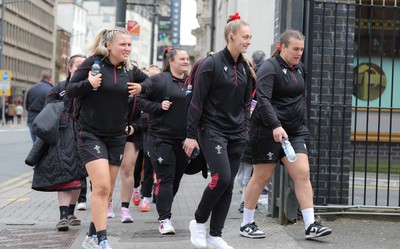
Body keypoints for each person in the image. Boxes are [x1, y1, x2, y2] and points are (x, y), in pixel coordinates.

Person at [238, 30, 332, 240]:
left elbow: (300, 100)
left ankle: (310, 225)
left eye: (301, 49)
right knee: (261, 176)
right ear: (283, 47)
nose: (299, 53)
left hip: (294, 132)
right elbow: (263, 100)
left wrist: (303, 127)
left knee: (302, 173)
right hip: (267, 130)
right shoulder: (268, 68)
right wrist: (275, 125)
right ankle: (247, 223)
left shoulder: (300, 69)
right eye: (295, 49)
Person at [67, 27, 144, 249]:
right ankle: (102, 239)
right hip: (91, 134)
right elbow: (71, 90)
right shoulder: (93, 63)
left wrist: (142, 86)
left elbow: (153, 84)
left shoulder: (129, 69)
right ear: (109, 45)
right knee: (101, 187)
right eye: (123, 44)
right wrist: (88, 84)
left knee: (107, 190)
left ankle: (91, 237)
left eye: (129, 44)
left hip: (117, 137)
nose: (127, 48)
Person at [183, 12, 254, 249]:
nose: (248, 41)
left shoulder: (246, 68)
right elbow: (196, 101)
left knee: (229, 183)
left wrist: (245, 127)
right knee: (220, 177)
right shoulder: (210, 64)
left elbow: (247, 102)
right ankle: (199, 221)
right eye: (245, 37)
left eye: (250, 37)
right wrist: (191, 135)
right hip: (211, 130)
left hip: (236, 134)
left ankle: (215, 235)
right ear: (231, 36)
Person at [137, 47, 190, 235]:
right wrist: (158, 106)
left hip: (185, 141)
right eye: (182, 58)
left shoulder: (191, 82)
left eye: (187, 58)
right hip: (161, 138)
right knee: (165, 179)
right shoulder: (159, 80)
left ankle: (164, 210)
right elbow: (139, 99)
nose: (186, 61)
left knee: (174, 181)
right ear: (171, 61)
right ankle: (165, 219)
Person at [44, 54, 87, 232]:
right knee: (63, 175)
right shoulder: (59, 88)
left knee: (78, 176)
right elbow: (48, 109)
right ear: (70, 68)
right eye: (78, 66)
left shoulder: (92, 87)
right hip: (62, 136)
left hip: (84, 135)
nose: (82, 69)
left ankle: (70, 212)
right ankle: (62, 217)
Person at [115, 67, 148, 223]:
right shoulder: (109, 86)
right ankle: (106, 204)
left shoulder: (140, 92)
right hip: (109, 133)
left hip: (131, 133)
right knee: (110, 172)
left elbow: (147, 115)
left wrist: (134, 126)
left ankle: (125, 209)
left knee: (128, 168)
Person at [236, 50, 267, 213]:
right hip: (246, 129)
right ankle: (248, 200)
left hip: (250, 129)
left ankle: (246, 201)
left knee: (247, 172)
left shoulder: (254, 81)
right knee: (245, 172)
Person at [25, 69, 53, 142]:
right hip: (44, 121)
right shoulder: (50, 90)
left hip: (32, 119)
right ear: (50, 78)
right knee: (43, 147)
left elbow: (27, 106)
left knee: (35, 145)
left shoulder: (32, 89)